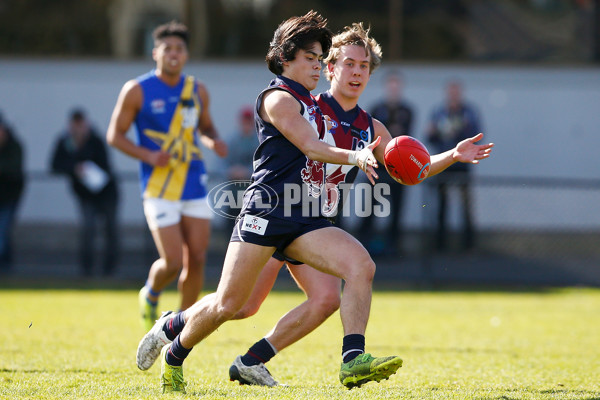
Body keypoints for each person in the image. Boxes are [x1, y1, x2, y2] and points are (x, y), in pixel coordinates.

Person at [136, 13, 493, 393]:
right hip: (271, 210)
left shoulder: (370, 128)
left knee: (353, 272)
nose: (357, 73)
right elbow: (311, 144)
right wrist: (356, 156)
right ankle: (174, 333)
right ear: (330, 68)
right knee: (236, 306)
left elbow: (410, 168)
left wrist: (452, 154)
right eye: (346, 64)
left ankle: (348, 359)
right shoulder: (300, 103)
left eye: (364, 67)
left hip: (310, 220)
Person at [106, 21, 228, 331]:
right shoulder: (136, 90)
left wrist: (213, 140)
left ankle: (179, 325)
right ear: (155, 53)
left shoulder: (197, 89)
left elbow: (206, 127)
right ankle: (151, 293)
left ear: (186, 55)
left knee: (198, 257)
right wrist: (148, 155)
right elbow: (114, 136)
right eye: (168, 48)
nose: (174, 54)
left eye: (180, 49)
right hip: (159, 186)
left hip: (194, 183)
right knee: (172, 261)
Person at [50, 108, 119, 277]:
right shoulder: (65, 142)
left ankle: (110, 269)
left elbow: (106, 166)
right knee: (88, 230)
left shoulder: (95, 140)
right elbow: (55, 165)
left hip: (107, 193)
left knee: (111, 230)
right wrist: (75, 168)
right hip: (85, 196)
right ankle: (87, 270)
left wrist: (87, 167)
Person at [355, 70, 415, 255]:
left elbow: (404, 139)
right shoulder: (376, 109)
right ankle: (363, 244)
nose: (394, 88)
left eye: (397, 85)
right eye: (391, 84)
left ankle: (393, 246)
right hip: (377, 169)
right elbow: (373, 138)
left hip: (399, 171)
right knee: (369, 209)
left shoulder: (407, 110)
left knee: (396, 210)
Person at [425, 79, 483, 251]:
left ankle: (468, 245)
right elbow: (430, 136)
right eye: (451, 92)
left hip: (463, 165)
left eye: (456, 92)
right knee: (442, 205)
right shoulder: (439, 112)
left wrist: (458, 132)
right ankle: (440, 245)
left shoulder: (469, 112)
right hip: (444, 163)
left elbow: (476, 135)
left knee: (466, 206)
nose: (453, 96)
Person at [0, 113, 25, 274]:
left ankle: (4, 266)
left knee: (2, 231)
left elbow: (13, 169)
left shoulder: (14, 146)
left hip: (9, 197)